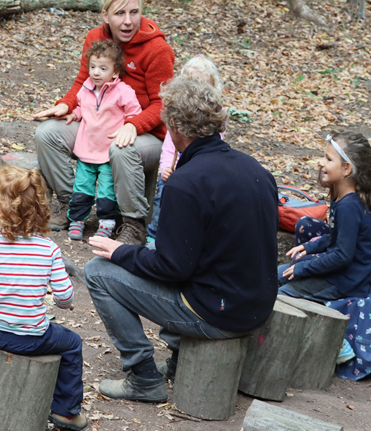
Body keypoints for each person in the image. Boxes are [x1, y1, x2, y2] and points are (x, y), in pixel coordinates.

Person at [83, 76, 278, 403]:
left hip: (220, 313)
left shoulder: (185, 182)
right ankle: (177, 362)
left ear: (173, 124)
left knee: (97, 272)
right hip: (256, 304)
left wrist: (121, 252)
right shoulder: (256, 170)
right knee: (159, 250)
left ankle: (143, 376)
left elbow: (172, 268)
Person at [33, 0, 175, 244]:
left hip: (147, 134)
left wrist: (133, 125)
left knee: (121, 149)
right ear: (105, 15)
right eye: (120, 13)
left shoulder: (157, 50)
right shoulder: (95, 38)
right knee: (47, 133)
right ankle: (72, 204)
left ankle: (133, 223)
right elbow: (82, 82)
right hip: (99, 122)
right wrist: (66, 105)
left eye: (134, 12)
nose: (128, 21)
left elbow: (162, 105)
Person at [0, 165, 86, 431]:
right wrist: (64, 303)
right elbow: (64, 297)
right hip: (31, 338)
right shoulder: (48, 249)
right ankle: (66, 410)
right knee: (72, 343)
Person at [278, 132, 371, 364]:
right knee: (276, 274)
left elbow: (342, 256)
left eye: (328, 159)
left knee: (279, 295)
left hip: (345, 281)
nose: (321, 162)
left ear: (347, 169)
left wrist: (303, 269)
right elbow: (337, 236)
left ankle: (337, 344)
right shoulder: (344, 199)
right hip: (338, 272)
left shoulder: (350, 206)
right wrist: (310, 248)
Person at [65, 40, 141, 242]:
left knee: (107, 193)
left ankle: (106, 224)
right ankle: (77, 221)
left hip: (107, 153)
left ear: (115, 72)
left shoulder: (123, 91)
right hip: (86, 150)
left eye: (103, 68)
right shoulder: (86, 88)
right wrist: (74, 114)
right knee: (81, 189)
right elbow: (81, 107)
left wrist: (128, 126)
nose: (96, 72)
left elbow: (134, 114)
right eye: (93, 67)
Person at [146, 55, 224, 245]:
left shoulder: (217, 113)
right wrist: (166, 168)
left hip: (200, 169)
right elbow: (168, 147)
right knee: (163, 196)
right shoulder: (176, 114)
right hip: (174, 168)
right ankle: (154, 234)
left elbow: (216, 144)